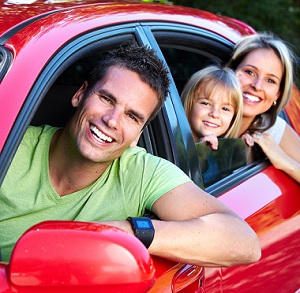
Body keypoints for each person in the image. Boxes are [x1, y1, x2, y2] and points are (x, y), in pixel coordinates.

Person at [0, 42, 261, 266]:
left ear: (140, 131)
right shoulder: (11, 146)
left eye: (132, 116)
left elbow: (243, 241)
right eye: (107, 99)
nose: (112, 121)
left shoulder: (142, 173)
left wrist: (126, 231)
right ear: (80, 94)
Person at [227, 32, 300, 183]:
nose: (257, 86)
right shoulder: (201, 114)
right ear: (230, 71)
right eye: (249, 72)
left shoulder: (272, 130)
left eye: (270, 80)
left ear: (277, 94)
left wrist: (284, 161)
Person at [181, 65, 243, 150]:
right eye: (206, 103)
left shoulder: (225, 153)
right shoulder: (172, 142)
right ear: (189, 103)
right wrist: (199, 151)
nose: (214, 114)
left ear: (233, 117)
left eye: (225, 108)